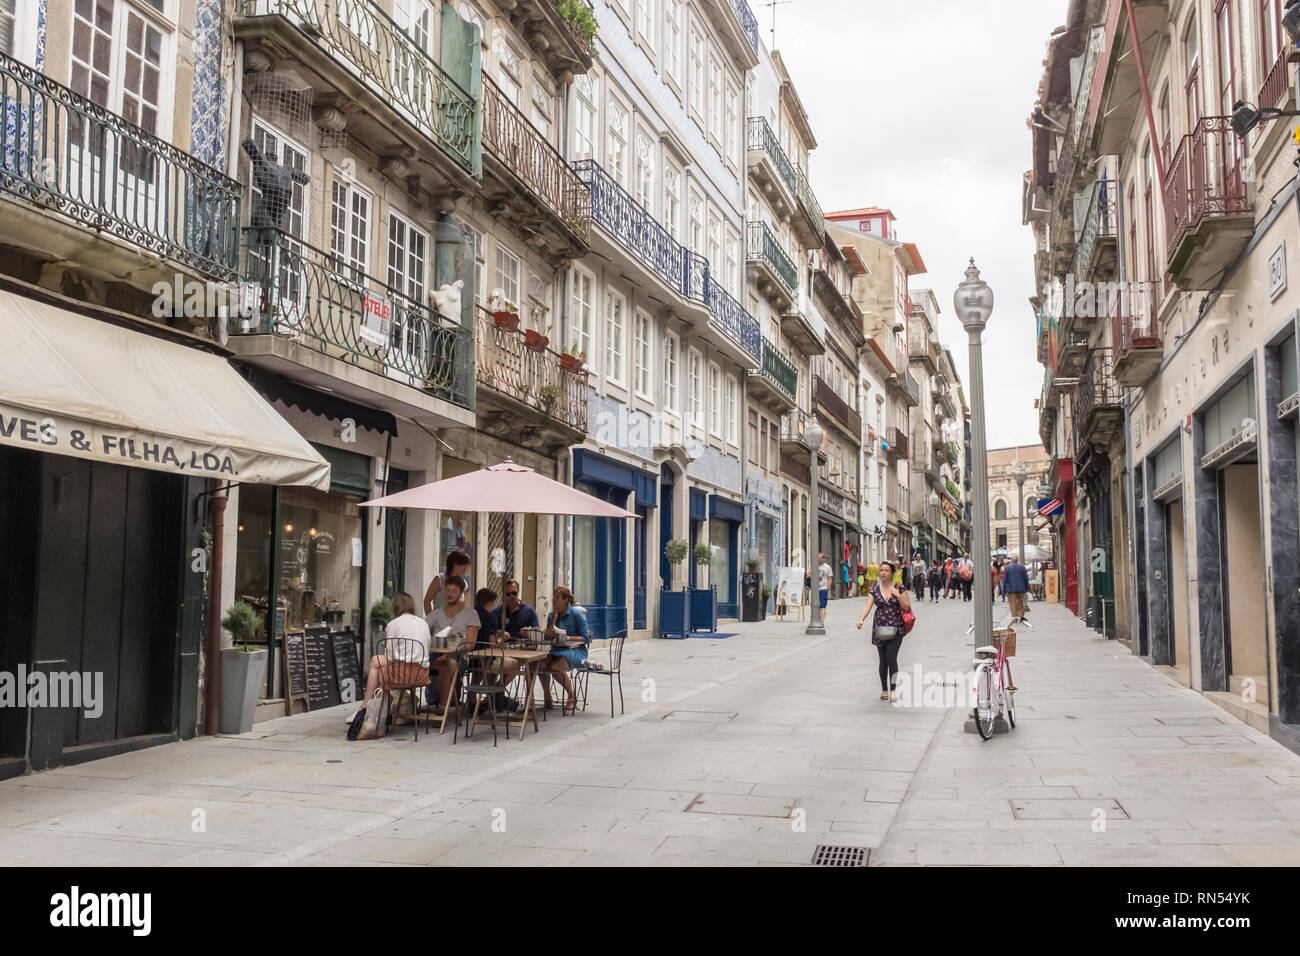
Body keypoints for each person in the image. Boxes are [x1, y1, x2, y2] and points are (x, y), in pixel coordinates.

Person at [353, 592, 429, 721]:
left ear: (395, 607)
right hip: (421, 674)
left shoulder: (393, 624)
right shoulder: (423, 623)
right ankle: (381, 709)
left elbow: (390, 656)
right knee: (381, 667)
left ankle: (366, 706)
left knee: (376, 662)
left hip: (402, 674)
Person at [856, 561, 912, 701]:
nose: (883, 573)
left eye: (886, 570)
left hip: (896, 627)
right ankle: (884, 689)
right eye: (881, 570)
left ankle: (893, 689)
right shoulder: (875, 590)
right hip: (880, 628)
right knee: (883, 660)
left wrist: (898, 596)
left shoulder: (899, 587)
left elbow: (907, 606)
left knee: (891, 657)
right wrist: (861, 619)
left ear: (892, 573)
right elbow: (868, 606)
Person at [424, 575, 478, 710]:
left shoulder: (471, 614)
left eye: (454, 591)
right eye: (447, 590)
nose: (449, 594)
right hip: (435, 654)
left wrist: (451, 650)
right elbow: (423, 631)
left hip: (459, 656)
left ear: (460, 593)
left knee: (447, 662)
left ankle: (443, 707)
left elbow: (471, 644)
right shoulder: (436, 614)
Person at [540, 586, 590, 712]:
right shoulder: (552, 615)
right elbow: (547, 637)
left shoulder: (576, 614)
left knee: (556, 667)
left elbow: (585, 638)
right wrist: (555, 619)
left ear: (565, 599)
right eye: (553, 596)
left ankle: (571, 695)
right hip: (557, 649)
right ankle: (547, 696)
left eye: (557, 597)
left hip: (575, 650)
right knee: (540, 665)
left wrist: (568, 638)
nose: (554, 599)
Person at [423, 549, 471, 616]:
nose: (466, 568)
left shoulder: (464, 583)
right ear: (455, 564)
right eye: (464, 565)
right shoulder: (439, 579)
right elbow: (427, 601)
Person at [1003, 555, 1030, 623]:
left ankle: (1014, 617)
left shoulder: (1007, 568)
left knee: (1012, 603)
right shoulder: (1022, 567)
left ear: (1011, 560)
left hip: (1011, 589)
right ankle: (1021, 617)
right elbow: (1025, 578)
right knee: (1020, 603)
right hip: (1021, 589)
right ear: (1017, 560)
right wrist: (1027, 587)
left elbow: (1005, 579)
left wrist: (1004, 589)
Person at [817, 553, 833, 624]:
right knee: (816, 606)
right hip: (815, 589)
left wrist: (828, 587)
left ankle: (822, 621)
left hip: (823, 588)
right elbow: (809, 573)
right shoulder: (814, 566)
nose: (818, 559)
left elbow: (830, 578)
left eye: (820, 558)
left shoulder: (827, 567)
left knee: (823, 606)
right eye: (818, 558)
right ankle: (817, 620)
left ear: (823, 559)